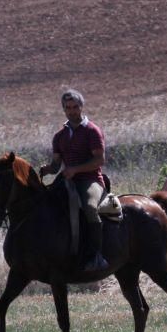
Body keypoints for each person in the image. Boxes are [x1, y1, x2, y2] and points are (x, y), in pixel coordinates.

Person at [40, 89, 109, 271]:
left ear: (81, 107)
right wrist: (47, 169)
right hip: (67, 180)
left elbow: (99, 160)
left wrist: (75, 169)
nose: (72, 111)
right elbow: (56, 165)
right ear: (63, 109)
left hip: (90, 180)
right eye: (68, 107)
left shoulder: (92, 131)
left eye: (75, 107)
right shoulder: (59, 136)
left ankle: (96, 255)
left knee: (89, 207)